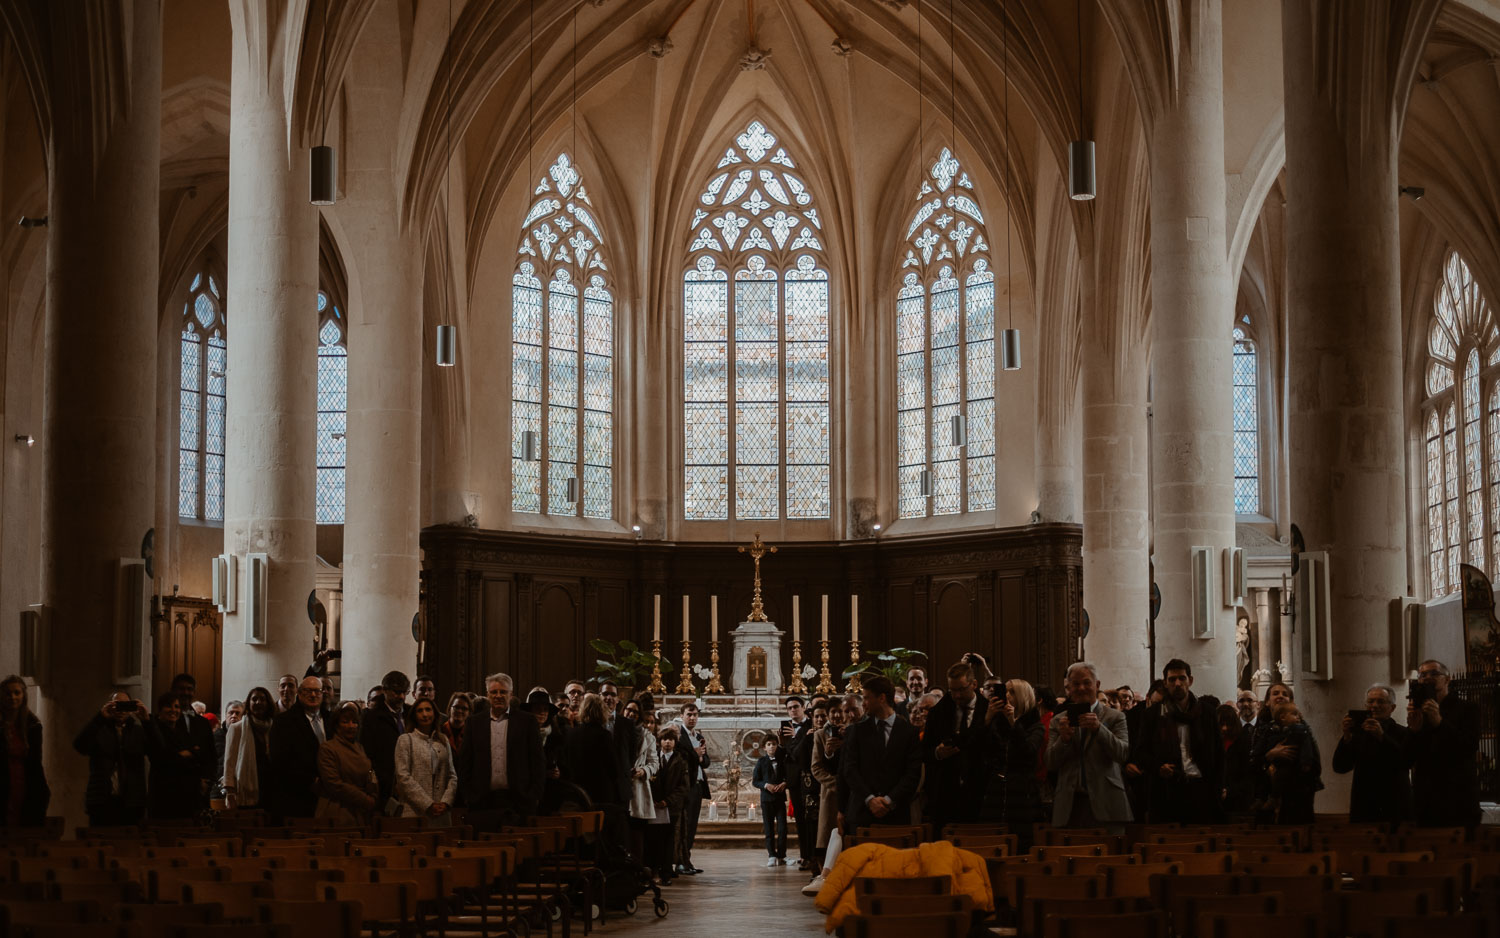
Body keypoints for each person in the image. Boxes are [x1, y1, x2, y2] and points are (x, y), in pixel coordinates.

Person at [1131, 659, 1223, 824]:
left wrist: (1217, 787)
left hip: (1200, 789)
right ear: (1165, 683)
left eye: (1182, 678)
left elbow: (1218, 753)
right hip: (1166, 791)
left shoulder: (1206, 712)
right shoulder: (1152, 715)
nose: (1178, 683)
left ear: (1190, 681)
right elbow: (1140, 752)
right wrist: (1158, 767)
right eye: (1172, 679)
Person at [1045, 662, 1131, 834]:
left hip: (1107, 802)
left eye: (1086, 682)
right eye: (1075, 684)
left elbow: (1123, 754)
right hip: (1069, 805)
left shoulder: (1115, 717)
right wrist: (1064, 740)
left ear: (1097, 685)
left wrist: (1099, 729)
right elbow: (1050, 763)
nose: (1081, 688)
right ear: (1068, 688)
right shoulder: (1058, 721)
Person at [458, 672, 546, 829]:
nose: (498, 696)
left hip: (519, 800)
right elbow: (465, 762)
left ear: (510, 694)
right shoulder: (474, 723)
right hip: (482, 802)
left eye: (503, 692)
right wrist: (468, 795)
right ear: (488, 695)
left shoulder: (527, 721)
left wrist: (533, 795)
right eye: (494, 692)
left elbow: (537, 762)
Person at [1404, 659, 1481, 828]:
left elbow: (1468, 747)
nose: (1427, 678)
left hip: (1458, 798)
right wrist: (1413, 731)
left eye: (1434, 673)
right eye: (1422, 675)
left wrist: (1439, 722)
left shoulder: (1467, 709)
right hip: (1425, 800)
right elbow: (1408, 759)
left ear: (1447, 679)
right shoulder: (1418, 710)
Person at [839, 675, 922, 829]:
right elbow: (849, 770)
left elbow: (912, 773)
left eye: (866, 698)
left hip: (895, 815)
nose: (863, 704)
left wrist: (889, 800)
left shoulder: (909, 732)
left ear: (882, 698)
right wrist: (870, 799)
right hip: (861, 814)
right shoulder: (856, 731)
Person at [922, 661, 990, 830]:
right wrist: (937, 753)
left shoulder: (989, 710)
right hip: (945, 794)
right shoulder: (939, 712)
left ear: (974, 684)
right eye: (952, 691)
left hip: (981, 792)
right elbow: (923, 751)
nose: (957, 696)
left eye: (961, 690)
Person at [1333, 683, 1410, 824]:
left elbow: (1404, 761)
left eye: (1381, 701)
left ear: (1392, 708)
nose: (1374, 706)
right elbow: (1340, 766)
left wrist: (1382, 736)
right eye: (1370, 702)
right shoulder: (1357, 734)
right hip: (1364, 803)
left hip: (1394, 802)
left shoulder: (1402, 732)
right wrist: (1346, 737)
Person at [73, 691, 147, 828]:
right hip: (101, 800)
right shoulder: (99, 729)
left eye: (126, 705)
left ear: (131, 708)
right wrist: (100, 718)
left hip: (132, 801)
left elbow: (157, 750)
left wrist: (146, 721)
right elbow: (80, 746)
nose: (121, 710)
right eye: (117, 705)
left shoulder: (138, 731)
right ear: (109, 706)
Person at [269, 676, 333, 820]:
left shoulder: (331, 719)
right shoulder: (283, 722)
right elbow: (280, 760)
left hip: (330, 793)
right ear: (299, 693)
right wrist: (311, 781)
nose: (313, 695)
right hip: (297, 795)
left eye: (317, 691)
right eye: (308, 691)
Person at [995, 679, 1045, 851]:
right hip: (998, 791)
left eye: (1012, 692)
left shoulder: (1036, 726)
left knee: (1021, 842)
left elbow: (1028, 750)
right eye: (1006, 691)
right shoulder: (998, 722)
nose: (1007, 695)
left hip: (1023, 792)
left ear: (1023, 696)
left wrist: (1013, 723)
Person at [1251, 700, 1322, 823]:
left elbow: (1313, 763)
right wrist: (1270, 755)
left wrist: (1304, 763)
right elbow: (1254, 761)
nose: (1279, 698)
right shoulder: (1267, 731)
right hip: (1269, 788)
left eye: (1284, 694)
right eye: (1275, 694)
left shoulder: (1303, 731)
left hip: (1298, 794)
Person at [393, 697, 457, 827]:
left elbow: (452, 776)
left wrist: (445, 802)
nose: (425, 714)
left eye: (428, 710)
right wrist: (427, 804)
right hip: (414, 810)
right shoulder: (406, 740)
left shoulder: (443, 740)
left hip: (441, 811)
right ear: (414, 715)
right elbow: (403, 777)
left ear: (434, 713)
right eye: (420, 711)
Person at [145, 691, 207, 820]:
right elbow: (162, 758)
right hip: (164, 794)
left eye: (177, 706)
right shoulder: (155, 729)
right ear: (160, 710)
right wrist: (185, 754)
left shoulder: (182, 730)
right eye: (169, 706)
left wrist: (186, 754)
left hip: (187, 796)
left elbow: (199, 753)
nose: (173, 710)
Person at [316, 703, 378, 826]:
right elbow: (334, 784)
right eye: (345, 722)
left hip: (362, 811)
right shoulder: (328, 748)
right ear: (336, 725)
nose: (351, 726)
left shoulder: (359, 747)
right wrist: (364, 799)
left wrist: (374, 794)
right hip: (338, 810)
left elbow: (370, 774)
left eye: (354, 722)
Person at [360, 670, 413, 811]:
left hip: (412, 781)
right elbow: (369, 753)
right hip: (385, 783)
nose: (401, 696)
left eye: (404, 692)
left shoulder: (411, 714)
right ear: (385, 690)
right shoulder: (371, 717)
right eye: (396, 692)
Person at [670, 701, 710, 875]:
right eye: (689, 714)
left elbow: (706, 761)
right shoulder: (678, 736)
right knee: (683, 825)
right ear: (682, 716)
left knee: (692, 825)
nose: (692, 718)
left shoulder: (699, 736)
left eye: (695, 715)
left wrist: (700, 757)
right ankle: (679, 861)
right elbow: (681, 758)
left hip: (698, 785)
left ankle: (687, 860)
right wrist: (696, 755)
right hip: (686, 785)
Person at [169, 673, 218, 811]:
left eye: (189, 689)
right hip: (172, 791)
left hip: (199, 792)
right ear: (173, 691)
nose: (186, 692)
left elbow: (211, 756)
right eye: (181, 689)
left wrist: (207, 782)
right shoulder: (164, 721)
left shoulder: (203, 723)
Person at [223, 686, 276, 810]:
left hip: (270, 787)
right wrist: (230, 794)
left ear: (268, 703)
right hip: (246, 788)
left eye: (262, 699)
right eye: (254, 699)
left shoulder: (274, 727)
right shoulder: (237, 728)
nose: (258, 702)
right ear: (248, 703)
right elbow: (229, 764)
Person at [564, 692, 620, 806]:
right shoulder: (604, 735)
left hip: (577, 791)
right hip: (600, 793)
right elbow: (613, 768)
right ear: (602, 711)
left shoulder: (570, 733)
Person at [622, 697, 659, 863]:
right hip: (620, 787)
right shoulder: (615, 731)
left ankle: (637, 871)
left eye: (635, 712)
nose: (631, 714)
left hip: (638, 787)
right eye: (629, 710)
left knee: (637, 835)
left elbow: (654, 762)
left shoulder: (647, 737)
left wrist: (643, 770)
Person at [778, 696, 814, 869]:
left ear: (803, 708)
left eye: (796, 707)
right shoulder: (786, 729)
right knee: (799, 818)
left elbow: (800, 754)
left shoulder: (811, 726)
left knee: (811, 818)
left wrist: (794, 738)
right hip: (794, 779)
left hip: (809, 777)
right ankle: (804, 855)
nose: (793, 710)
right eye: (789, 708)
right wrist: (781, 744)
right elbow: (786, 757)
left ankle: (813, 855)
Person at [650, 726, 689, 883]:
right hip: (654, 806)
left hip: (670, 807)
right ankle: (654, 870)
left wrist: (668, 801)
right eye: (664, 739)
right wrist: (653, 800)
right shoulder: (653, 759)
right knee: (654, 839)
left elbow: (683, 787)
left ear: (675, 742)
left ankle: (666, 872)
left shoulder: (680, 761)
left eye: (670, 740)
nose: (667, 742)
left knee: (669, 840)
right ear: (659, 742)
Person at [754, 733, 789, 866]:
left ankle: (781, 855)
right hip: (767, 800)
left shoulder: (782, 760)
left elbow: (787, 776)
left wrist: (784, 783)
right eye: (769, 745)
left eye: (774, 744)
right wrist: (765, 785)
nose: (772, 747)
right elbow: (755, 781)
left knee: (782, 829)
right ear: (764, 747)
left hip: (780, 799)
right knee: (769, 828)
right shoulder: (761, 762)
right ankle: (771, 855)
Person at [1219, 703, 1256, 819]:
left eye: (1228, 724)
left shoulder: (1243, 741)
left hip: (1238, 801)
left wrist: (1229, 791)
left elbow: (1247, 775)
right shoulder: (1212, 744)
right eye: (1221, 724)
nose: (1224, 728)